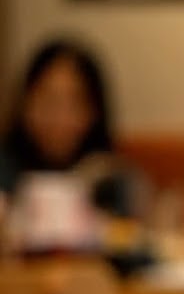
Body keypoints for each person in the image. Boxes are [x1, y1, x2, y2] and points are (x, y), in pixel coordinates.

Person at [0, 37, 141, 218]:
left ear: (95, 112)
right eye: (49, 101)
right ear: (25, 104)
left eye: (76, 104)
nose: (61, 117)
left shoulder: (108, 176)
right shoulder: (4, 169)